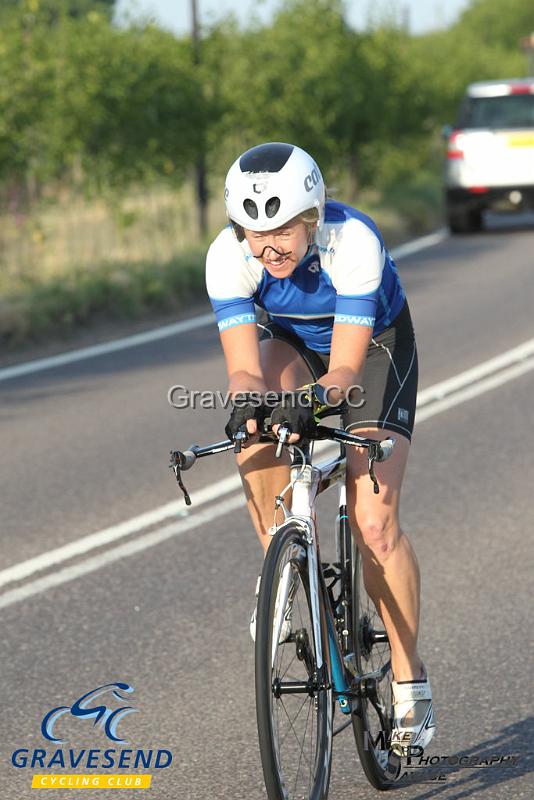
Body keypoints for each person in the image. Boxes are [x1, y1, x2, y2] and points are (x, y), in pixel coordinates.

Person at [205, 141, 435, 754]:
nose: (266, 246)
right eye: (251, 231)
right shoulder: (228, 259)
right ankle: (281, 579)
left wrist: (310, 407)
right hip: (289, 340)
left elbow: (342, 378)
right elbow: (244, 374)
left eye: (280, 229)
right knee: (253, 440)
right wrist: (251, 407)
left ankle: (411, 684)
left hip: (372, 348)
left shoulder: (352, 241)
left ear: (310, 219)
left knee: (374, 522)